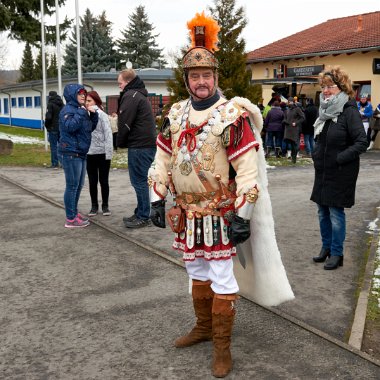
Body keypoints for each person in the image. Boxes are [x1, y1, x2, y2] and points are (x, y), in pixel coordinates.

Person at [148, 12, 294, 378]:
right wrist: (156, 195)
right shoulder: (176, 113)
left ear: (215, 78)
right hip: (185, 213)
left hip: (220, 213)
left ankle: (222, 347)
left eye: (206, 76)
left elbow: (246, 170)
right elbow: (162, 157)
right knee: (195, 270)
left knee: (222, 277)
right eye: (194, 76)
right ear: (187, 80)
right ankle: (201, 328)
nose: (200, 81)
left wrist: (242, 215)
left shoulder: (232, 115)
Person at [311, 66, 367, 270]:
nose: (325, 91)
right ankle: (326, 248)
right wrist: (316, 154)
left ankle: (337, 253)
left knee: (335, 213)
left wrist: (340, 158)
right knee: (322, 212)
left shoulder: (349, 111)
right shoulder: (324, 110)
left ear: (341, 87)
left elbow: (362, 142)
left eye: (330, 87)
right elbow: (321, 139)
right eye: (323, 87)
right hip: (324, 171)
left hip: (342, 171)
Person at [117, 68, 157, 228]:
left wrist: (119, 141)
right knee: (142, 181)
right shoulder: (138, 94)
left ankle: (143, 215)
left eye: (120, 83)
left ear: (127, 82)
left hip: (139, 146)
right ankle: (141, 210)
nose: (119, 86)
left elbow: (125, 122)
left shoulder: (131, 95)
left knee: (139, 181)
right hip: (145, 144)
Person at [58, 84, 98, 228]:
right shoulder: (67, 110)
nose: (83, 96)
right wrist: (82, 113)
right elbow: (70, 127)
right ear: (72, 95)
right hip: (70, 152)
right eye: (80, 93)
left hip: (80, 152)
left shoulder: (79, 110)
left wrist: (93, 116)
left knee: (78, 185)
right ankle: (70, 218)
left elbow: (87, 129)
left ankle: (73, 213)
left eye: (84, 93)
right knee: (72, 186)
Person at [85, 91, 113, 217]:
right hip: (89, 153)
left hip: (102, 153)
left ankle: (105, 206)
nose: (87, 103)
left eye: (89, 101)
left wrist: (108, 153)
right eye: (86, 101)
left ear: (96, 101)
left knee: (103, 181)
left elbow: (108, 134)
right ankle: (94, 206)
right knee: (92, 181)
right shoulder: (84, 115)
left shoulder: (102, 115)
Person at [44, 90, 63, 169]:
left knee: (53, 146)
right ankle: (63, 163)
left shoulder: (50, 104)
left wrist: (47, 125)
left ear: (50, 96)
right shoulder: (62, 104)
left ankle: (55, 163)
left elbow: (48, 117)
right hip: (61, 128)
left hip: (53, 128)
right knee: (62, 146)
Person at [283, 97, 305, 163]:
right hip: (287, 128)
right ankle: (290, 156)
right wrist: (284, 121)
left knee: (294, 144)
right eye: (289, 102)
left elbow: (303, 117)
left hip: (294, 129)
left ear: (293, 102)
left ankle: (294, 158)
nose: (290, 103)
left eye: (291, 102)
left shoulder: (297, 109)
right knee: (288, 143)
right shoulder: (287, 110)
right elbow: (285, 118)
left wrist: (296, 123)